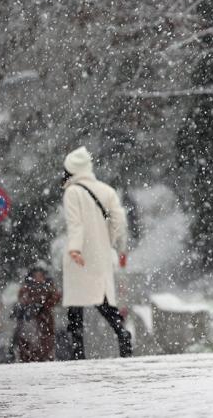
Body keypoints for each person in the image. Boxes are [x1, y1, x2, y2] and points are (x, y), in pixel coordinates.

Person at [62, 146, 133, 359]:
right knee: (103, 300)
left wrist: (75, 248)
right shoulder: (107, 190)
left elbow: (76, 225)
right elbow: (120, 222)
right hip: (100, 255)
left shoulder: (72, 192)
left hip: (80, 256)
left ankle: (78, 352)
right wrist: (110, 242)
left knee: (76, 306)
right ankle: (122, 335)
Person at [12, 266, 61, 362]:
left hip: (45, 319)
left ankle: (44, 359)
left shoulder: (49, 286)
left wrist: (44, 305)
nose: (38, 278)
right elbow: (22, 298)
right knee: (27, 343)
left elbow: (56, 297)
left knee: (46, 343)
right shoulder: (27, 287)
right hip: (30, 319)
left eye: (40, 276)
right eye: (36, 276)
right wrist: (32, 305)